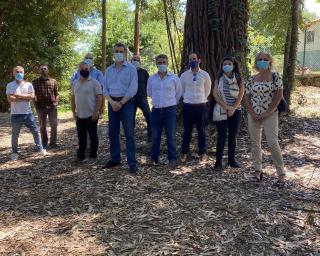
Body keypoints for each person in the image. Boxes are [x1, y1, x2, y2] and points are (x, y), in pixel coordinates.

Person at [245, 52, 285, 187]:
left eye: (265, 59)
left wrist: (268, 112)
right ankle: (257, 170)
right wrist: (252, 113)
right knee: (255, 143)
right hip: (253, 115)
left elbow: (278, 96)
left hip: (270, 115)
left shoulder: (275, 77)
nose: (262, 61)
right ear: (256, 62)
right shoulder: (251, 79)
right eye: (260, 59)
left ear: (270, 62)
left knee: (273, 143)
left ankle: (281, 174)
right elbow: (247, 97)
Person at [103, 43, 138, 173]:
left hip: (127, 104)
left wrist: (121, 103)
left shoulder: (131, 69)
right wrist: (112, 103)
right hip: (112, 104)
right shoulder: (108, 70)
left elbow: (133, 88)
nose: (118, 53)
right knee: (113, 132)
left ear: (125, 53)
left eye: (121, 51)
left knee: (129, 133)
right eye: (116, 51)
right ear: (113, 53)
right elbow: (105, 89)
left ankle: (132, 162)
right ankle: (115, 159)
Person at [147, 54, 183, 166]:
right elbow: (149, 93)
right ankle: (154, 158)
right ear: (156, 64)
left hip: (170, 111)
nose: (162, 64)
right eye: (159, 62)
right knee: (155, 136)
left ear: (167, 63)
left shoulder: (174, 77)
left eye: (164, 62)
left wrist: (172, 103)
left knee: (171, 136)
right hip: (156, 111)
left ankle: (172, 159)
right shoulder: (152, 78)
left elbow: (179, 92)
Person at [6, 66, 46, 160]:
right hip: (15, 114)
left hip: (28, 113)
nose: (19, 73)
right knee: (15, 134)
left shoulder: (28, 84)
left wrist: (18, 96)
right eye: (17, 72)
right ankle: (15, 152)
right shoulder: (10, 85)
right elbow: (10, 99)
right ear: (13, 73)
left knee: (35, 131)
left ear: (23, 73)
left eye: (20, 72)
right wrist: (25, 97)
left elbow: (32, 96)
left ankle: (40, 148)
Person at [213, 56, 244, 172]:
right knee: (221, 136)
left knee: (233, 136)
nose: (227, 66)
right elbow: (215, 95)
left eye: (229, 63)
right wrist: (227, 108)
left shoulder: (239, 79)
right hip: (222, 111)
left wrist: (233, 108)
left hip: (236, 111)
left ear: (234, 65)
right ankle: (218, 162)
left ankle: (231, 160)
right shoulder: (218, 79)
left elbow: (241, 94)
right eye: (224, 64)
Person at [180, 53, 212, 163]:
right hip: (188, 106)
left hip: (201, 106)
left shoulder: (205, 75)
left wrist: (200, 99)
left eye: (194, 59)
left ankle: (203, 152)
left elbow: (207, 90)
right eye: (190, 59)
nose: (192, 60)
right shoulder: (184, 76)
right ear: (188, 61)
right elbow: (182, 90)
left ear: (199, 60)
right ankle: (184, 152)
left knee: (201, 131)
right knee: (187, 131)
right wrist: (189, 99)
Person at [71, 61, 103, 161]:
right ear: (78, 70)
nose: (85, 71)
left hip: (91, 114)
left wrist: (96, 111)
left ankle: (93, 153)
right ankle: (81, 154)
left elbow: (99, 97)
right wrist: (73, 112)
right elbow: (72, 98)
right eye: (82, 69)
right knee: (81, 136)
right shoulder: (75, 83)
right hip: (79, 114)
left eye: (87, 69)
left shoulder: (95, 82)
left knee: (93, 135)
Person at [32, 64, 59, 149]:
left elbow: (57, 94)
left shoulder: (53, 81)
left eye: (45, 69)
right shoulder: (35, 82)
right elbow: (33, 95)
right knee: (42, 126)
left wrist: (56, 103)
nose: (43, 70)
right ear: (39, 71)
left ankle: (53, 143)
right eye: (41, 69)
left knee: (54, 125)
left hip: (52, 107)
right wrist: (35, 106)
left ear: (48, 70)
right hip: (40, 107)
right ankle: (44, 142)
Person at [131, 55, 152, 142]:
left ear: (140, 62)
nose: (136, 61)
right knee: (130, 118)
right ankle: (131, 136)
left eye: (137, 60)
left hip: (142, 98)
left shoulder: (144, 72)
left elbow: (149, 84)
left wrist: (147, 94)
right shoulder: (128, 72)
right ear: (131, 61)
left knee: (148, 115)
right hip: (130, 99)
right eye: (134, 60)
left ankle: (151, 135)